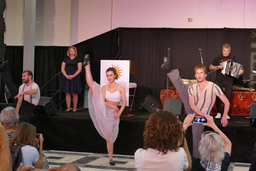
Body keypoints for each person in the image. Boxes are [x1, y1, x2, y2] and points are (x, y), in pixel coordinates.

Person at [166, 64, 230, 158]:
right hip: (194, 112)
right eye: (197, 73)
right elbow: (192, 105)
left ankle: (196, 161)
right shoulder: (192, 88)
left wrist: (224, 116)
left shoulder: (213, 86)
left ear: (205, 75)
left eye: (201, 73)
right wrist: (204, 115)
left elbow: (226, 102)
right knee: (184, 91)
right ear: (195, 75)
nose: (199, 75)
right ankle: (171, 71)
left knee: (196, 139)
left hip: (201, 118)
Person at [83, 54, 126, 166]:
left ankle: (111, 157)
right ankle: (87, 67)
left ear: (115, 75)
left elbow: (124, 102)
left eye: (111, 75)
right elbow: (102, 102)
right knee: (93, 86)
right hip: (104, 110)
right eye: (107, 75)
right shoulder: (104, 88)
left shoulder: (121, 87)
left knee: (110, 137)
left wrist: (119, 113)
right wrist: (113, 106)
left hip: (114, 115)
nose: (109, 77)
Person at [209, 43, 244, 119]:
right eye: (224, 51)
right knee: (218, 96)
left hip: (229, 80)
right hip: (219, 80)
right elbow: (211, 67)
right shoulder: (218, 58)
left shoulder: (232, 58)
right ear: (222, 50)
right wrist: (218, 66)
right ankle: (218, 112)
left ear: (229, 51)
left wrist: (241, 71)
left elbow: (240, 68)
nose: (225, 52)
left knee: (228, 97)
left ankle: (226, 113)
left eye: (227, 51)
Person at [61, 46, 82, 112]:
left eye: (73, 51)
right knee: (67, 93)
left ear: (75, 52)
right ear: (69, 52)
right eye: (71, 51)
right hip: (66, 76)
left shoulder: (78, 59)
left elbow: (79, 69)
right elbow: (62, 68)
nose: (72, 52)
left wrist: (73, 76)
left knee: (74, 93)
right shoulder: (65, 59)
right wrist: (66, 75)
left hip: (75, 77)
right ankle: (68, 108)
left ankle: (75, 108)